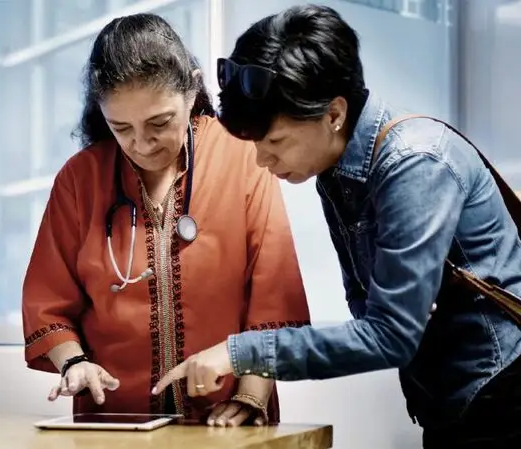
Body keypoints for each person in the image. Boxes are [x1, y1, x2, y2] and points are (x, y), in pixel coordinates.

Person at [152, 4, 521, 447]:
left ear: (333, 114)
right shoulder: (337, 169)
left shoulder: (415, 164)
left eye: (275, 142)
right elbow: (370, 313)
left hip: (501, 397)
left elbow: (389, 337)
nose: (262, 160)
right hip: (450, 401)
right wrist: (395, 315)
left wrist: (237, 353)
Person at [21, 13, 311, 427]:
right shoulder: (79, 178)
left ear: (192, 91)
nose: (141, 143)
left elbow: (273, 295)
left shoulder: (243, 156)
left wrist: (250, 395)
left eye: (159, 123)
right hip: (115, 424)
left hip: (228, 419)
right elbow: (46, 301)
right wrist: (75, 363)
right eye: (121, 128)